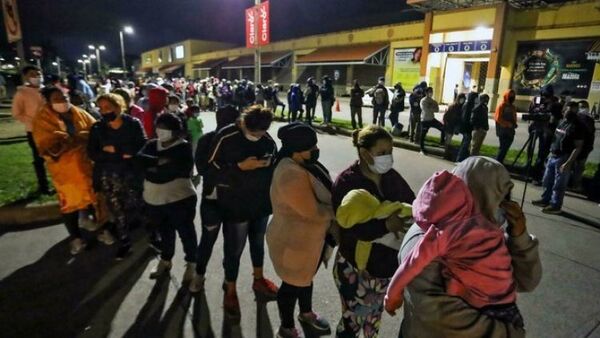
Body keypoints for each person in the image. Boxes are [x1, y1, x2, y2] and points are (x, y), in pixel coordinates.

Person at [390, 156, 541, 338]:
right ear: (479, 196)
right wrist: (509, 333)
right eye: (498, 198)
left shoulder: (485, 230)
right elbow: (439, 316)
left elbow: (527, 281)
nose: (504, 206)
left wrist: (520, 239)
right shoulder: (425, 237)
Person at [331, 126, 416, 337]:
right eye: (381, 153)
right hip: (356, 268)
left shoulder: (391, 176)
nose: (387, 157)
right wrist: (386, 226)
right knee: (352, 320)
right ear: (364, 153)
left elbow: (413, 202)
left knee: (373, 319)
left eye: (390, 151)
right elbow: (349, 227)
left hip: (385, 267)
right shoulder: (347, 182)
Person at [207, 105, 279, 315]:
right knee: (234, 250)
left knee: (257, 244)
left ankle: (258, 279)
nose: (256, 137)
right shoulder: (227, 136)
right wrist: (239, 167)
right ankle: (230, 289)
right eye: (252, 133)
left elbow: (274, 164)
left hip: (260, 205)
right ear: (244, 124)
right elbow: (209, 169)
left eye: (261, 133)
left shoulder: (267, 140)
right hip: (235, 205)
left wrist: (268, 166)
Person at [268, 122, 333, 338]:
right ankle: (287, 328)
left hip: (308, 243)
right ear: (296, 149)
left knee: (305, 279)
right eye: (310, 147)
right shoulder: (290, 173)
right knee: (291, 285)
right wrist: (339, 211)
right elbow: (313, 212)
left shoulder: (300, 163)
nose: (315, 150)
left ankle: (306, 313)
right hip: (293, 242)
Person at [32, 86, 97, 255]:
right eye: (57, 99)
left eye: (64, 97)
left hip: (86, 165)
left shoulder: (79, 112)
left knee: (93, 197)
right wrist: (76, 139)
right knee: (69, 204)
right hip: (65, 171)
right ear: (48, 101)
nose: (63, 101)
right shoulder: (42, 120)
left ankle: (96, 225)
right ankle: (76, 238)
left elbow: (94, 129)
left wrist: (81, 138)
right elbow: (49, 147)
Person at [137, 112, 198, 280]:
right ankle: (166, 260)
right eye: (159, 128)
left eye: (165, 129)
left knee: (186, 233)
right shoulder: (151, 145)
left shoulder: (183, 147)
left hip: (179, 199)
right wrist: (159, 163)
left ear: (176, 131)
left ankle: (192, 262)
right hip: (154, 201)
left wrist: (152, 168)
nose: (160, 132)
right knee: (165, 232)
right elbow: (138, 161)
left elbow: (174, 172)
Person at [87, 93, 147, 259]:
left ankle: (154, 236)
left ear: (118, 107)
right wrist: (122, 153)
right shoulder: (98, 128)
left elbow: (142, 146)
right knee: (117, 212)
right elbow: (93, 153)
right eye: (100, 108)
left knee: (142, 207)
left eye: (107, 107)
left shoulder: (133, 124)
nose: (103, 111)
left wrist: (114, 151)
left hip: (132, 175)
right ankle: (125, 242)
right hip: (109, 178)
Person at [189, 105, 241, 293]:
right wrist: (234, 169)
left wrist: (226, 170)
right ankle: (199, 275)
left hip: (235, 203)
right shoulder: (207, 140)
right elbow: (204, 170)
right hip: (212, 201)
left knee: (232, 245)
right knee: (207, 241)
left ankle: (229, 281)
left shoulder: (240, 141)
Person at [532, 102, 584, 214]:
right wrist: (544, 127)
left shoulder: (577, 126)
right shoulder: (562, 122)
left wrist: (569, 162)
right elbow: (555, 137)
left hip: (564, 157)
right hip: (553, 155)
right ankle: (545, 199)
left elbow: (578, 147)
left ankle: (555, 205)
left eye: (570, 111)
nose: (566, 112)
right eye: (566, 110)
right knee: (547, 180)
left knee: (559, 184)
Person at [12, 65, 51, 195]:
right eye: (32, 74)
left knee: (55, 156)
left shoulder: (46, 90)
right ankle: (43, 186)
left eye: (38, 74)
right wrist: (32, 121)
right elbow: (16, 113)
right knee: (39, 159)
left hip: (50, 129)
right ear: (26, 77)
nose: (36, 77)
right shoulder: (22, 93)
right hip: (33, 130)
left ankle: (59, 182)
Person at [570, 100, 596, 191]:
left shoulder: (587, 119)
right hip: (578, 147)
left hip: (584, 148)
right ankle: (574, 184)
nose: (582, 109)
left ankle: (576, 185)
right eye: (580, 107)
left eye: (583, 107)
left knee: (578, 167)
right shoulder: (582, 118)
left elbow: (589, 134)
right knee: (575, 166)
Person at [419, 87, 444, 155]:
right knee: (423, 135)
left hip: (432, 119)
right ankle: (422, 149)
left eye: (432, 92)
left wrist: (431, 108)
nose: (431, 93)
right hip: (425, 120)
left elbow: (437, 110)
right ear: (426, 93)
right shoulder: (423, 101)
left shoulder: (433, 101)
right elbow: (425, 110)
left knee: (443, 128)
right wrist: (432, 108)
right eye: (429, 92)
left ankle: (442, 142)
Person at [495, 90, 518, 164]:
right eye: (510, 95)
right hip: (503, 131)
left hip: (511, 131)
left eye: (513, 95)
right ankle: (498, 163)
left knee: (505, 148)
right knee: (503, 148)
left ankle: (500, 162)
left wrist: (514, 124)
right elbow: (498, 118)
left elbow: (514, 117)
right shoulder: (502, 105)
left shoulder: (512, 107)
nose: (512, 97)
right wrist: (508, 124)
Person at [456, 92, 479, 162]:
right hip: (466, 128)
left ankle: (462, 157)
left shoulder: (470, 104)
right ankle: (460, 158)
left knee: (466, 142)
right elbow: (465, 118)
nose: (477, 99)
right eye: (476, 97)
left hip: (467, 127)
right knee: (465, 143)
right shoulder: (468, 105)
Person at [443, 93, 466, 160]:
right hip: (450, 125)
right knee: (448, 140)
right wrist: (446, 124)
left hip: (455, 125)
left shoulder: (462, 107)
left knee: (449, 140)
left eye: (463, 99)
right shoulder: (453, 106)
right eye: (461, 99)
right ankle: (445, 154)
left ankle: (447, 153)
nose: (462, 100)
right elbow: (446, 116)